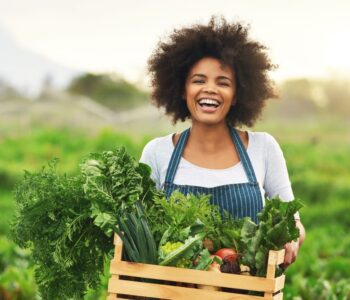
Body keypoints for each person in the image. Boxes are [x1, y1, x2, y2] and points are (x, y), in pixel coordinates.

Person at [140, 16, 305, 267]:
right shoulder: (157, 152)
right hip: (171, 290)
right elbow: (136, 225)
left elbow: (293, 221)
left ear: (238, 94)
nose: (210, 89)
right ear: (182, 90)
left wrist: (292, 239)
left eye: (223, 82)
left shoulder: (264, 148)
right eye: (199, 80)